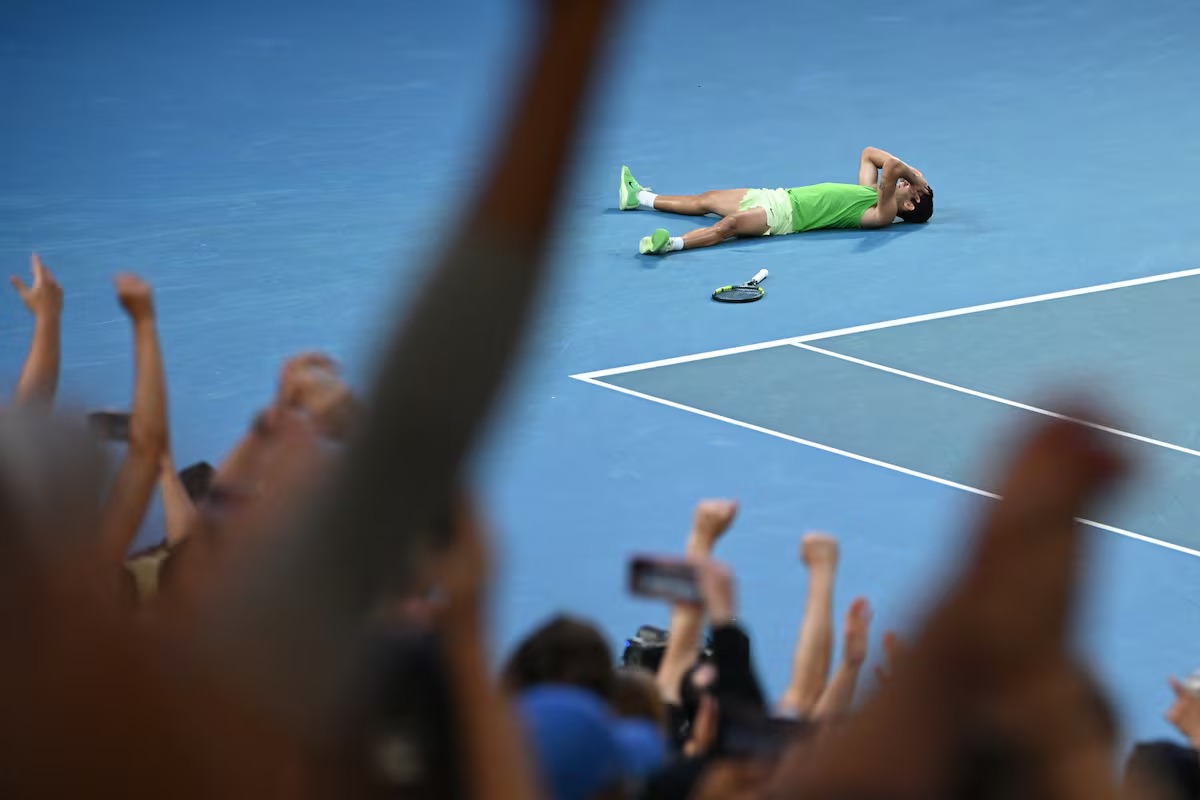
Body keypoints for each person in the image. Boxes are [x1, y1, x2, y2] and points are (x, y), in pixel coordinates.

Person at [618, 147, 932, 255]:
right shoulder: (870, 192)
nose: (910, 183)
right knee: (705, 200)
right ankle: (640, 197)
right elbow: (869, 153)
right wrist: (912, 178)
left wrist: (915, 176)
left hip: (784, 218)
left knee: (728, 225)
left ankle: (670, 245)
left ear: (907, 206)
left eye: (915, 191)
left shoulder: (884, 212)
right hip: (775, 196)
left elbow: (891, 167)